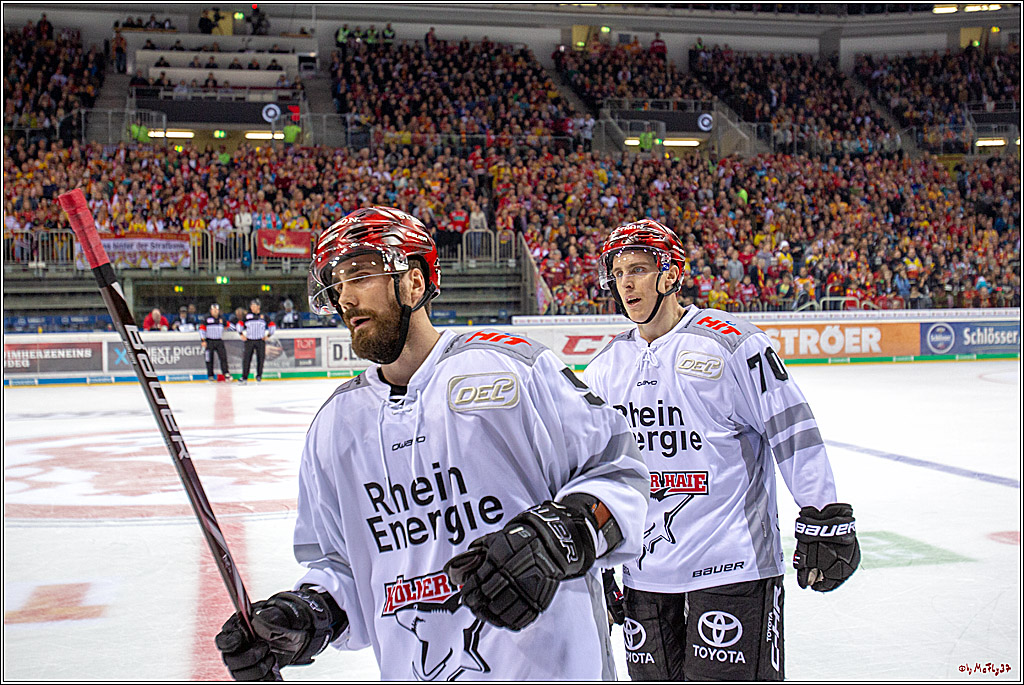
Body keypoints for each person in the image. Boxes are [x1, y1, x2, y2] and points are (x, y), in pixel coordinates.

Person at [214, 206, 649, 680]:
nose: (345, 298)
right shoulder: (335, 426)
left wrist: (559, 537)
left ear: (414, 282)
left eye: (359, 275)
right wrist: (306, 616)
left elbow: (620, 475)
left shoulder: (513, 369)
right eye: (336, 284)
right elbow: (344, 569)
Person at [584, 219, 860, 681]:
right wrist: (602, 559)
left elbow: (791, 427)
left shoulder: (732, 343)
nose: (625, 283)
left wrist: (822, 511)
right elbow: (601, 471)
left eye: (638, 269)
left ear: (671, 275)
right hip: (646, 575)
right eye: (618, 273)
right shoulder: (605, 367)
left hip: (733, 567)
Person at [236, 298, 274, 384]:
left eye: (254, 306)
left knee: (260, 359)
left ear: (258, 307)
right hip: (249, 340)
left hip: (260, 340)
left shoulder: (264, 316)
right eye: (251, 306)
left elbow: (272, 325)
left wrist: (268, 335)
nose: (252, 308)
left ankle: (259, 375)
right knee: (246, 359)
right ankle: (244, 377)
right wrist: (241, 334)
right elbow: (239, 325)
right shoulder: (247, 316)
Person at [200, 302, 231, 382]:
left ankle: (226, 373)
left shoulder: (222, 319)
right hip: (209, 341)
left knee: (223, 357)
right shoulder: (206, 318)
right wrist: (203, 340)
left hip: (219, 341)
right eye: (213, 310)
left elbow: (228, 325)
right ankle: (210, 375)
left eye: (216, 310)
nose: (215, 311)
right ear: (211, 310)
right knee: (209, 359)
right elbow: (202, 329)